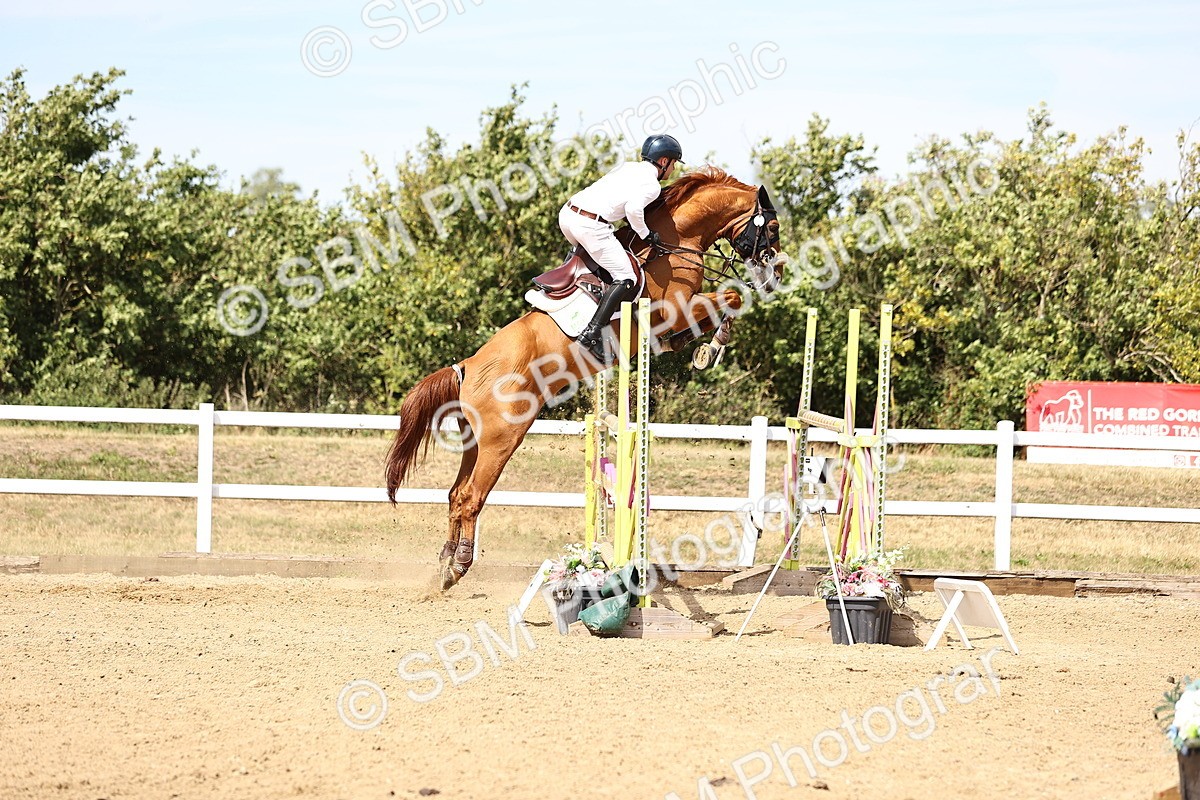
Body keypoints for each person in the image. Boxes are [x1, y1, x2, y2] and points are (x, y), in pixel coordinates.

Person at [558, 134, 683, 360]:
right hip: (590, 225)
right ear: (664, 162)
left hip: (568, 215)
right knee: (627, 278)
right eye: (674, 163)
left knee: (599, 260)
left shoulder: (628, 167)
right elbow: (633, 210)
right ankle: (591, 334)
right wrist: (646, 234)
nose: (673, 169)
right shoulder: (652, 185)